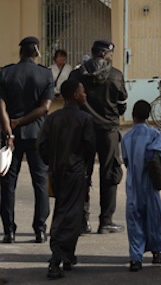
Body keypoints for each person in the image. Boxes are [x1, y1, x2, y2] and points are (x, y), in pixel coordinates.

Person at [0, 35, 56, 243]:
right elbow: (44, 108)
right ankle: (40, 230)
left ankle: (9, 232)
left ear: (21, 52)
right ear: (36, 52)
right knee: (40, 183)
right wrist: (22, 121)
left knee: (8, 184)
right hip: (37, 135)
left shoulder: (6, 73)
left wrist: (9, 130)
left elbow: (0, 106)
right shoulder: (45, 74)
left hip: (10, 136)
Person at [67, 39, 128, 234]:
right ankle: (106, 221)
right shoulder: (116, 75)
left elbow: (69, 100)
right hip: (108, 132)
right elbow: (122, 106)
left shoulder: (77, 74)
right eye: (110, 54)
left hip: (82, 130)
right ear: (103, 54)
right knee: (110, 174)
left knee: (82, 174)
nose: (111, 58)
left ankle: (82, 221)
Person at [38, 79, 95, 280]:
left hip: (57, 172)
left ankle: (68, 255)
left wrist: (52, 162)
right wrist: (85, 170)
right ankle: (57, 258)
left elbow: (41, 145)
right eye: (83, 91)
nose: (85, 94)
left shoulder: (53, 118)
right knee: (69, 216)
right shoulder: (85, 119)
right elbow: (90, 149)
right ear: (75, 95)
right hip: (75, 172)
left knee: (67, 212)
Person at [121, 100, 161, 271]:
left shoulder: (126, 137)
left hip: (133, 185)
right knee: (154, 218)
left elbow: (126, 161)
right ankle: (158, 253)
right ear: (148, 116)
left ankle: (136, 258)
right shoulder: (154, 134)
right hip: (150, 184)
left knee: (134, 220)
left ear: (133, 116)